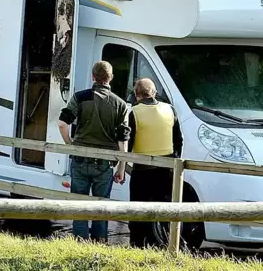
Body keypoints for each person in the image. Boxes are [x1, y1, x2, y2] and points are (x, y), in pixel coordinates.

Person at [57, 61, 130, 242]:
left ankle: (80, 245)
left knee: (79, 207)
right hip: (104, 164)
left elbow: (62, 123)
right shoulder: (120, 104)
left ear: (93, 77)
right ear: (110, 78)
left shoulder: (80, 97)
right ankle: (99, 246)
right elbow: (122, 140)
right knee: (101, 208)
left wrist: (70, 144)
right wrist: (121, 168)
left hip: (80, 159)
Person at [127, 78, 183, 248]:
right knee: (164, 210)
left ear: (137, 95)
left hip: (142, 172)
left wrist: (124, 164)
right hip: (166, 171)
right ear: (154, 92)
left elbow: (129, 144)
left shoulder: (135, 113)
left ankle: (138, 245)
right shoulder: (169, 110)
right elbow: (179, 140)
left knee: (138, 212)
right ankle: (165, 244)